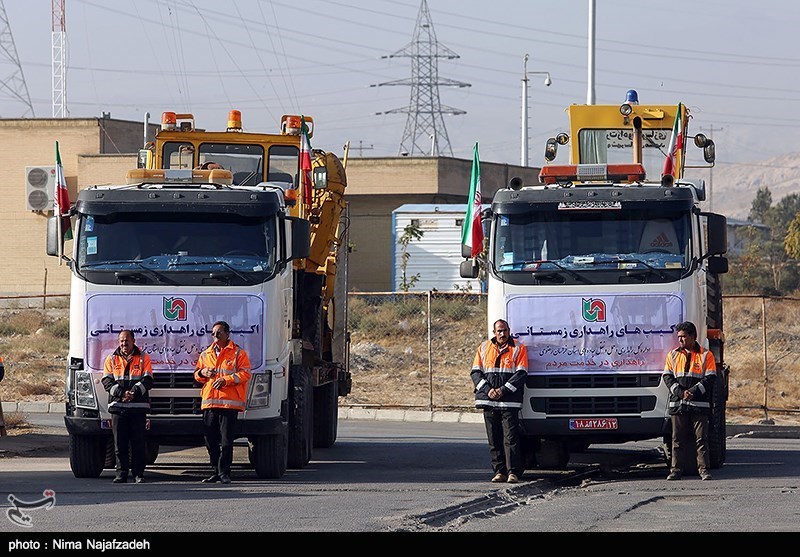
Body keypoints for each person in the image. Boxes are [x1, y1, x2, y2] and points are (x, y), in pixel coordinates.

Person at [470, 318, 528, 484]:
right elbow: (475, 373)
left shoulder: (518, 348)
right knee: (494, 439)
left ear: (509, 331)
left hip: (509, 402)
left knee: (511, 438)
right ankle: (499, 472)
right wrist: (488, 391)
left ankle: (513, 473)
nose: (502, 334)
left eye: (505, 330)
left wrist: (502, 391)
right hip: (489, 401)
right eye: (499, 331)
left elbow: (521, 373)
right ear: (494, 333)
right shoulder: (483, 348)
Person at [194, 320, 252, 484]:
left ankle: (225, 472)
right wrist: (203, 372)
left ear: (227, 334)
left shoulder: (237, 353)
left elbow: (245, 373)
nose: (215, 336)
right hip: (210, 404)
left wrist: (226, 380)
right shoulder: (206, 354)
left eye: (218, 332)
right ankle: (215, 471)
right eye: (213, 333)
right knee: (210, 440)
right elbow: (197, 375)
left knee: (226, 441)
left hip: (229, 404)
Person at [662, 321, 717, 481]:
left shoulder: (706, 355)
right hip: (678, 406)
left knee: (701, 440)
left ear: (693, 337)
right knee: (677, 440)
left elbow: (710, 378)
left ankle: (704, 471)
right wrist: (680, 393)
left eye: (683, 337)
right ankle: (675, 470)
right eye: (679, 337)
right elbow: (667, 377)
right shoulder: (672, 355)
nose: (680, 340)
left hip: (699, 406)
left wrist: (693, 392)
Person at [101, 329, 153, 484]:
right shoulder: (111, 359)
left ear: (133, 341)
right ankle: (121, 474)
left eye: (127, 340)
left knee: (138, 443)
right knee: (120, 443)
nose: (124, 343)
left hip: (138, 407)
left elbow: (148, 380)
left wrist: (134, 392)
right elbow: (106, 381)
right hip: (118, 407)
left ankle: (139, 474)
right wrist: (122, 393)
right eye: (121, 341)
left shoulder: (144, 358)